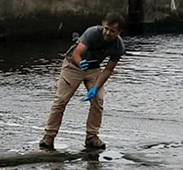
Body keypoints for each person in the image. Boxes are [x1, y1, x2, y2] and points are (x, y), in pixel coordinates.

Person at [40, 12, 126, 151]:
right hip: (73, 66)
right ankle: (49, 136)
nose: (108, 32)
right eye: (106, 28)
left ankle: (92, 137)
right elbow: (76, 53)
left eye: (112, 31)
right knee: (61, 100)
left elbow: (108, 70)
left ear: (119, 32)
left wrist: (96, 88)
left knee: (98, 101)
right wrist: (80, 63)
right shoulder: (92, 33)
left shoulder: (118, 46)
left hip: (93, 69)